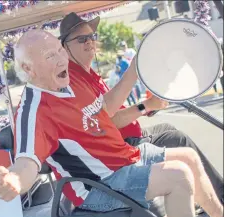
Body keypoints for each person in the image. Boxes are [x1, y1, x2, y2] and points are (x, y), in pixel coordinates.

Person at [0, 29, 224, 217]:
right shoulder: (34, 110)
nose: (61, 58)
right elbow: (27, 162)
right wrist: (16, 180)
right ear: (29, 69)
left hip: (124, 159)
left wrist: (137, 76)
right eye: (50, 56)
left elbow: (104, 109)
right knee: (179, 175)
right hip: (99, 186)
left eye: (60, 50)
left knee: (189, 157)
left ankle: (220, 216)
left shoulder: (68, 80)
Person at [58, 12, 224, 204]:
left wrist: (147, 106)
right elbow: (106, 120)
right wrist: (145, 105)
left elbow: (112, 111)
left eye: (91, 37)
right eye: (81, 39)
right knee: (178, 140)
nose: (89, 42)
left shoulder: (88, 74)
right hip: (120, 148)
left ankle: (208, 198)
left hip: (128, 139)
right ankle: (218, 199)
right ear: (65, 47)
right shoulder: (73, 80)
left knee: (170, 130)